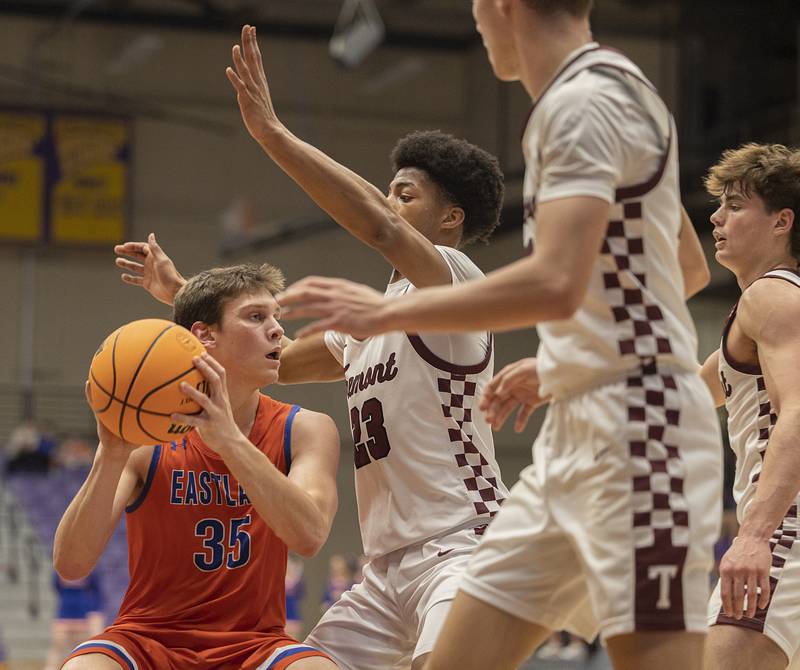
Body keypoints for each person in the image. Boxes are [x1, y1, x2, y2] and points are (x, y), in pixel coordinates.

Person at [276, 2, 722, 669]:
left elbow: (557, 282)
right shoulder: (598, 95)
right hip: (574, 433)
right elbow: (684, 268)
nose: (477, 22)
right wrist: (572, 361)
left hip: (640, 431)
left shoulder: (583, 99)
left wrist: (384, 314)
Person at [113, 24, 509, 670]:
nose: (389, 202)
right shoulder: (364, 325)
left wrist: (272, 133)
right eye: (389, 189)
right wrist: (182, 296)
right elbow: (269, 361)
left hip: (465, 543)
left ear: (450, 219)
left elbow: (379, 227)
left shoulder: (457, 285)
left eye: (405, 194)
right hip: (385, 568)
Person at [55, 264, 340, 670]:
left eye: (276, 317)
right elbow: (71, 565)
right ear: (204, 335)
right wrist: (111, 455)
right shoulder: (146, 437)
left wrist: (231, 443)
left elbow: (309, 537)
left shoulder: (305, 428)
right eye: (256, 317)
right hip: (146, 638)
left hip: (254, 643)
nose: (278, 330)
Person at [696, 143, 800, 670]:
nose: (717, 217)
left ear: (782, 221)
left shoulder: (771, 297)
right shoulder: (770, 308)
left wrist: (756, 535)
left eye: (735, 206)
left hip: (786, 530)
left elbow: (799, 411)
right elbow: (686, 396)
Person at [44, 571, 105, 670]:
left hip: (84, 612)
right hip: (65, 611)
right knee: (57, 645)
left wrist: (94, 613)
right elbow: (56, 587)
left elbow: (96, 590)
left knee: (85, 648)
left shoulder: (91, 570)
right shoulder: (59, 570)